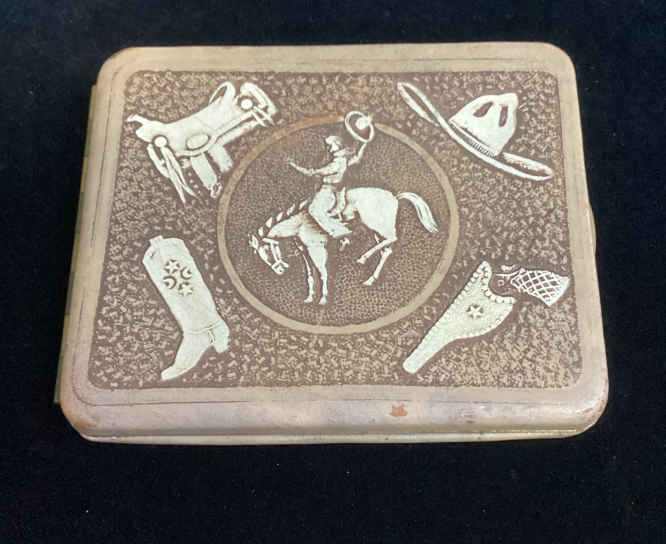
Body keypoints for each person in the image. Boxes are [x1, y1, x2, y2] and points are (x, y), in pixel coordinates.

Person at [288, 134, 368, 239]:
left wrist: (294, 166)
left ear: (337, 145)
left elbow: (313, 173)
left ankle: (340, 232)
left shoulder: (337, 163)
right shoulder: (344, 160)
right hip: (333, 192)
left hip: (327, 192)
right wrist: (365, 144)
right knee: (316, 211)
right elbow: (357, 158)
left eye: (331, 145)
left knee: (314, 211)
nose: (329, 148)